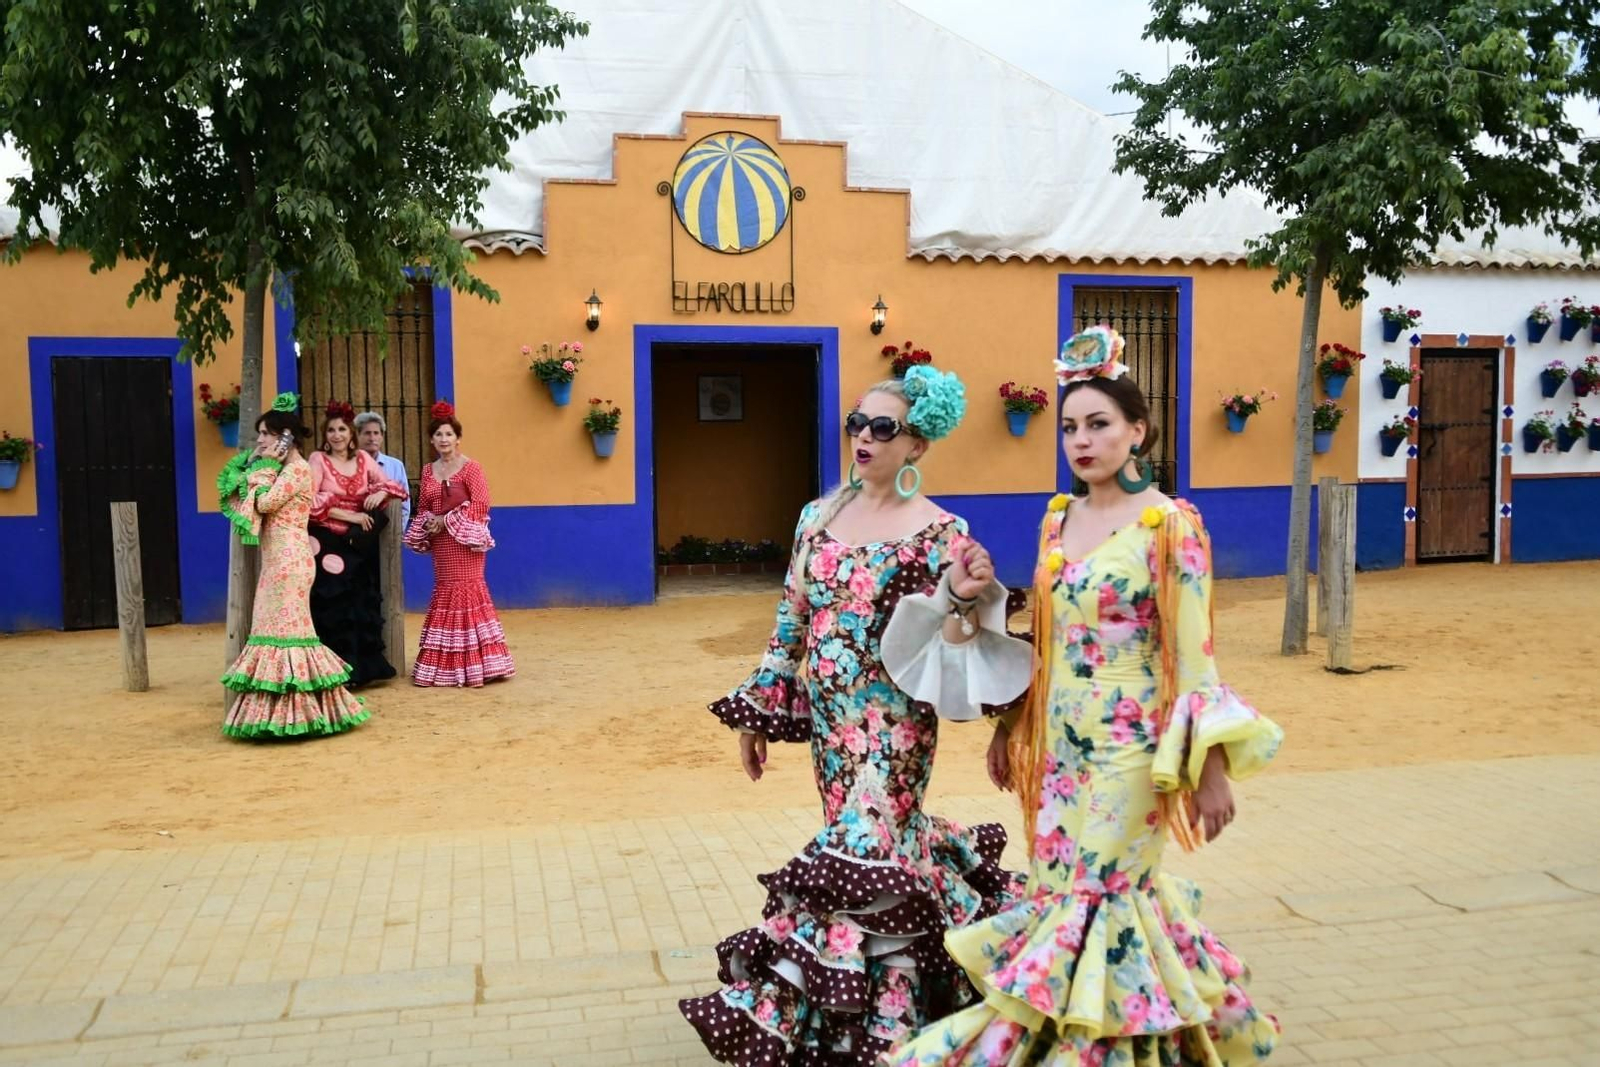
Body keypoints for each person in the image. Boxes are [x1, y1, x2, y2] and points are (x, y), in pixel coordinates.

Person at [885, 327, 1283, 1066]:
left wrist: (1211, 766)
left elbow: (1194, 656)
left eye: (1099, 424)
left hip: (1132, 751)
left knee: (1100, 894)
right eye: (1070, 427)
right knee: (1060, 889)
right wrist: (1011, 725)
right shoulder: (1056, 520)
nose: (1082, 440)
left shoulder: (1171, 526)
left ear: (1138, 431)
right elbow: (1048, 639)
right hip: (1059, 749)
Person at [679, 366, 1034, 1065]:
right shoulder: (817, 517)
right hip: (832, 723)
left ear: (917, 445)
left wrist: (967, 596)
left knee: (866, 848)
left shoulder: (943, 532)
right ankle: (870, 1008)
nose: (863, 436)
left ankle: (886, 1027)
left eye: (882, 427)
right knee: (871, 856)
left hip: (898, 724)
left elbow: (960, 639)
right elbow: (791, 621)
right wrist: (760, 711)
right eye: (856, 422)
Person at [217, 393, 369, 739]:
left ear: (284, 437)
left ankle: (299, 715)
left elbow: (266, 503)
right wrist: (259, 467)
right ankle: (281, 714)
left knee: (287, 635)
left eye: (266, 434)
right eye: (259, 434)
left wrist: (263, 468)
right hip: (278, 559)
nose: (260, 441)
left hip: (289, 560)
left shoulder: (297, 469)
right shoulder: (285, 470)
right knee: (276, 632)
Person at [403, 400, 515, 687]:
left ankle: (479, 665)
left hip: (466, 543)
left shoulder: (471, 468)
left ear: (458, 438)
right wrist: (430, 521)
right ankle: (446, 668)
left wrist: (447, 520)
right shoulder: (427, 471)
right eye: (438, 434)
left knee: (469, 592)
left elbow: (481, 504)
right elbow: (424, 506)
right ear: (431, 439)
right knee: (445, 592)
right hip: (442, 545)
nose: (443, 439)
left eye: (448, 434)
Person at [306, 400, 409, 687]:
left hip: (358, 542)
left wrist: (380, 493)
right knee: (333, 606)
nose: (336, 435)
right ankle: (332, 673)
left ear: (351, 433)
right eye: (331, 430)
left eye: (342, 429)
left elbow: (393, 486)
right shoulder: (318, 460)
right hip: (327, 540)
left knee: (360, 601)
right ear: (325, 435)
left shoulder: (363, 459)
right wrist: (350, 514)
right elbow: (309, 501)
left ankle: (361, 672)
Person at [353, 410, 412, 530]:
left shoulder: (395, 465)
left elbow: (405, 505)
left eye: (376, 433)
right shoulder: (348, 465)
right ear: (357, 436)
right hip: (356, 529)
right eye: (367, 433)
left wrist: (397, 530)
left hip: (389, 531)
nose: (372, 438)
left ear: (382, 437)